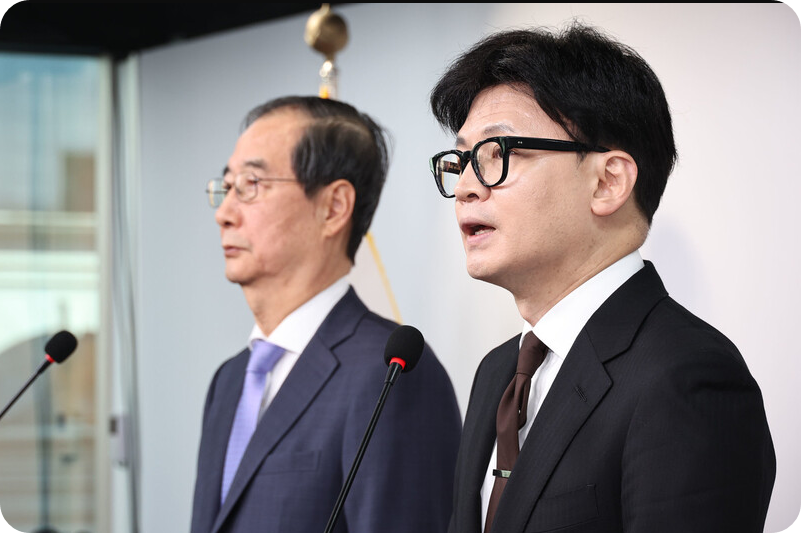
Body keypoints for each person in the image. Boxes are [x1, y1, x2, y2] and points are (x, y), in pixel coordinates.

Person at [428, 22, 776, 533]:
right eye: (462, 160)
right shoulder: (496, 373)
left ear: (608, 182)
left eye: (498, 153)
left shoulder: (687, 377)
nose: (464, 188)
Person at [190, 95, 461, 533]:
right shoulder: (229, 380)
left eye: (251, 185)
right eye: (226, 186)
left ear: (333, 207)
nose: (224, 213)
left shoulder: (392, 374)